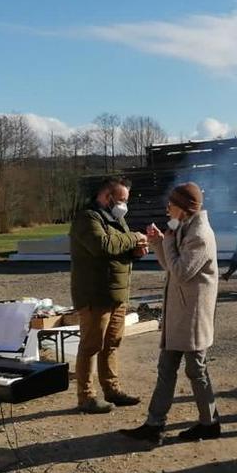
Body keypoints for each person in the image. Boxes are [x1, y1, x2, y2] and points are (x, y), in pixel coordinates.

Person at [120, 183, 221, 445]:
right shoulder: (184, 228)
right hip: (180, 314)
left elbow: (181, 272)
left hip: (192, 316)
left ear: (184, 208)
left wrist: (166, 240)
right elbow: (170, 265)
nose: (168, 208)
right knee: (166, 368)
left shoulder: (199, 235)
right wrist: (158, 242)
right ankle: (154, 425)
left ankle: (210, 423)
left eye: (172, 204)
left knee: (196, 370)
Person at [69, 177, 147, 413]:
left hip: (117, 295)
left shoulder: (116, 219)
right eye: (121, 199)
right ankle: (86, 397)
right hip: (95, 295)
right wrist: (135, 237)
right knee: (91, 346)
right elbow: (103, 245)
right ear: (107, 196)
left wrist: (135, 252)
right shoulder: (87, 218)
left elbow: (118, 248)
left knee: (112, 344)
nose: (124, 205)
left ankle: (112, 390)